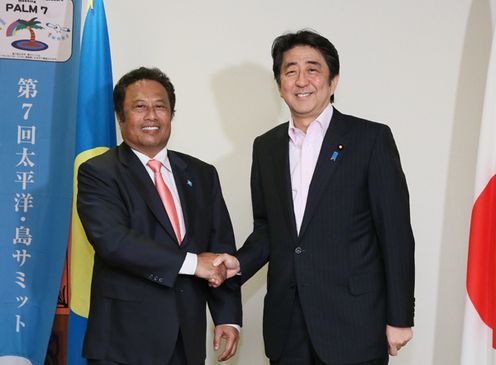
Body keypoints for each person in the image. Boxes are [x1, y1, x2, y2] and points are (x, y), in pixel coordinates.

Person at [214, 30, 415, 365]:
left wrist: (399, 317)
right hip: (287, 324)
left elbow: (395, 234)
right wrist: (239, 263)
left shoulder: (370, 139)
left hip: (354, 324)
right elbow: (268, 228)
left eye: (312, 69)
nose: (301, 80)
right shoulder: (266, 147)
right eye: (290, 71)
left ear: (332, 81)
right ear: (279, 85)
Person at [77, 67, 241, 365]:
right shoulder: (98, 173)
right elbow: (114, 241)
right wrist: (193, 264)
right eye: (139, 107)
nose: (151, 116)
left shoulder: (202, 174)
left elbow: (220, 249)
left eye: (160, 106)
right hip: (123, 344)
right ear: (120, 117)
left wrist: (227, 317)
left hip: (187, 340)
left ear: (171, 115)